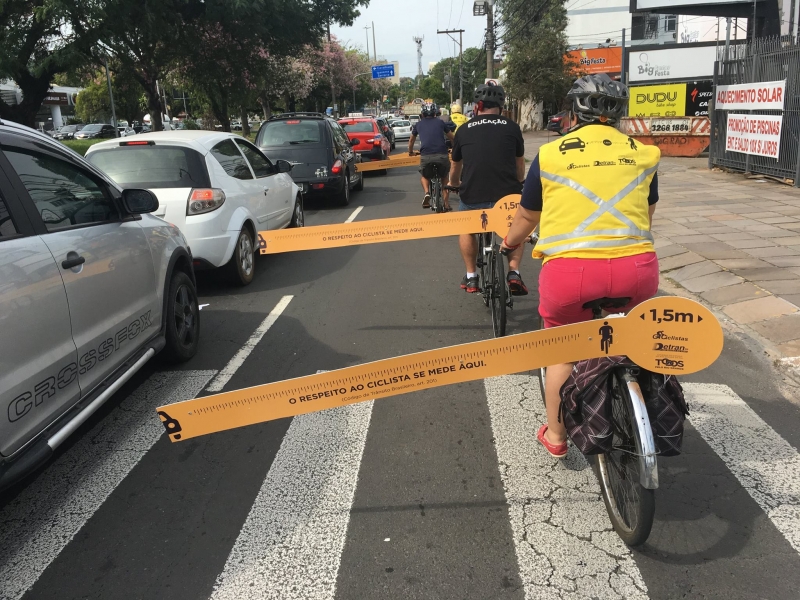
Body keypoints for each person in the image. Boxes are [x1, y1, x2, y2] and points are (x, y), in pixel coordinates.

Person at [500, 73, 661, 459]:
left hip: (571, 275)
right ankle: (639, 402)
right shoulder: (644, 153)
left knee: (562, 350)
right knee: (631, 341)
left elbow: (527, 216)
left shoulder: (552, 154)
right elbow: (646, 216)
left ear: (572, 113)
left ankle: (556, 436)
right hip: (636, 268)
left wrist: (509, 243)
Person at [448, 82, 528, 295]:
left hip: (473, 195)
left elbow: (456, 165)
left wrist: (454, 184)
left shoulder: (463, 130)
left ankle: (472, 276)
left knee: (466, 229)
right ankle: (514, 272)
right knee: (516, 230)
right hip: (507, 195)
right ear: (500, 105)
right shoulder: (512, 127)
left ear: (477, 105)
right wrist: (519, 183)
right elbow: (519, 164)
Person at [408, 102, 456, 209]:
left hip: (426, 156)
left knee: (425, 176)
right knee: (444, 178)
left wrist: (410, 151)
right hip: (442, 155)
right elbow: (452, 137)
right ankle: (446, 204)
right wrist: (453, 148)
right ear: (435, 113)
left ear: (423, 114)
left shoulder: (418, 125)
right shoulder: (441, 123)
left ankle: (426, 193)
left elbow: (411, 140)